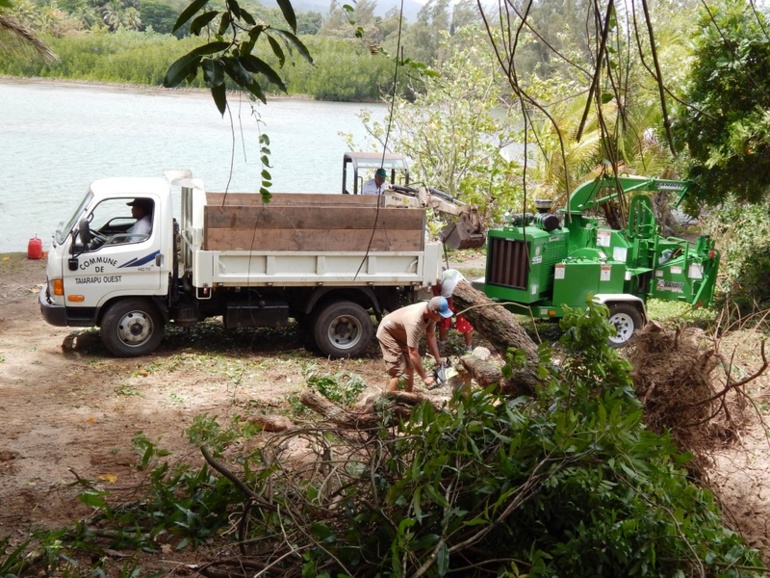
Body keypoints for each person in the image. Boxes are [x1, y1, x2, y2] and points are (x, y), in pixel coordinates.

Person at [376, 296, 453, 392]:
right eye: (441, 315)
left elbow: (431, 335)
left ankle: (408, 397)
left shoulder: (431, 315)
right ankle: (390, 401)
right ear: (433, 311)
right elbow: (413, 353)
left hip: (401, 333)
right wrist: (424, 377)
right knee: (399, 371)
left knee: (410, 367)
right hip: (388, 333)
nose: (441, 318)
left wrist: (438, 358)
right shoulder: (414, 322)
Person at [434, 268, 474, 353]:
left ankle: (441, 344)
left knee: (445, 320)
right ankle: (469, 348)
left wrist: (439, 313)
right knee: (466, 321)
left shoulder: (437, 278)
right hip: (464, 296)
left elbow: (437, 298)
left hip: (449, 298)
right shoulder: (456, 273)